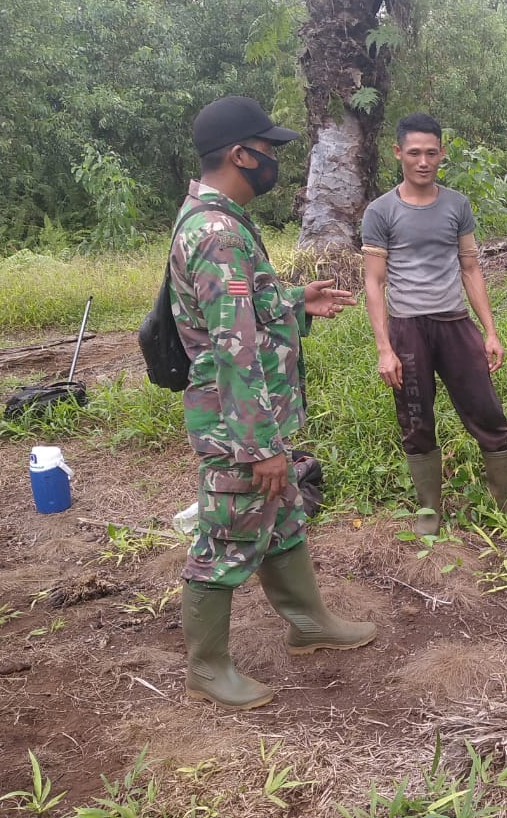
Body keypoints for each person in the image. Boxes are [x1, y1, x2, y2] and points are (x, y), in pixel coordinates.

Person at [173, 95, 376, 710]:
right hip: (239, 422)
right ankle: (207, 668)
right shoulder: (216, 233)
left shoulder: (220, 219)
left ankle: (308, 624)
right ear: (240, 154)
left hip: (252, 416)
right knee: (227, 535)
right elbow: (232, 347)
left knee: (282, 516)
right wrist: (259, 445)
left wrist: (290, 300)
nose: (273, 161)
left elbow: (237, 310)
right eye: (268, 151)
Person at [361, 112, 507, 535]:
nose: (423, 161)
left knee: (487, 410)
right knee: (415, 418)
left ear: (442, 154)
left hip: (455, 323)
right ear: (398, 152)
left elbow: (470, 268)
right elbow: (374, 281)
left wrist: (489, 331)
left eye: (431, 153)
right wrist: (385, 348)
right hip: (407, 329)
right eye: (414, 152)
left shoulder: (456, 205)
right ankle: (429, 512)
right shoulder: (380, 211)